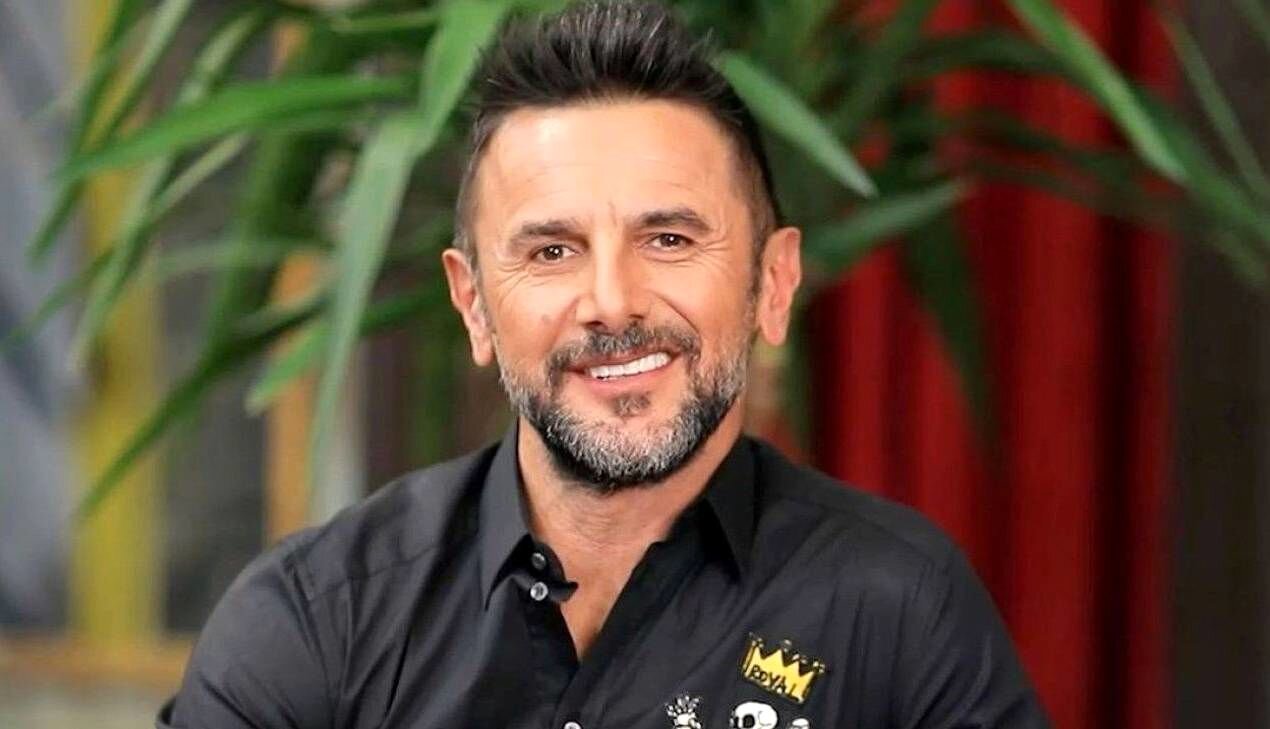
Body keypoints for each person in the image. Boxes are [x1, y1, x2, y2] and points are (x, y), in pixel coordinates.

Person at [159, 2, 1051, 727]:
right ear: (473, 303)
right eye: (551, 251)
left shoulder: (901, 614)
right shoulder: (317, 620)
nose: (613, 302)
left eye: (669, 239)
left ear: (773, 283)